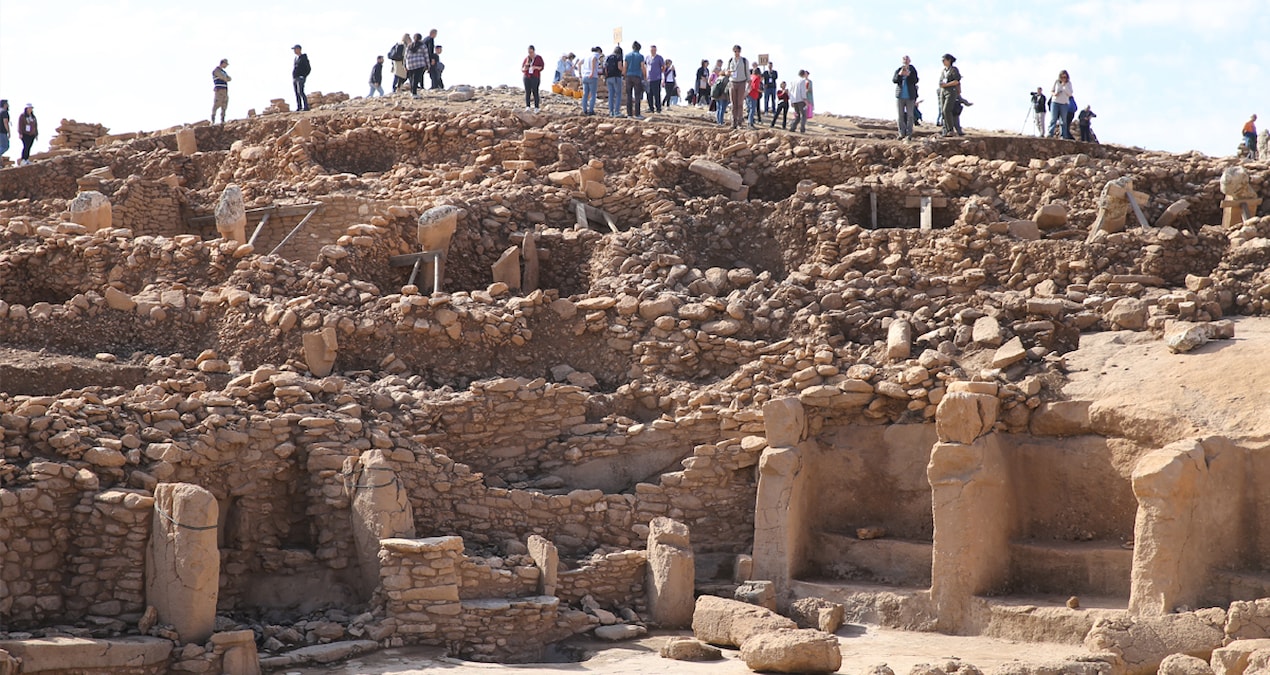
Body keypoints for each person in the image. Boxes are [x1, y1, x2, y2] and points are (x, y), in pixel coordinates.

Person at [893, 55, 918, 140]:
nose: (905, 61)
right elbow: (894, 80)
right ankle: (901, 133)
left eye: (907, 59)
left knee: (910, 115)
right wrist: (900, 75)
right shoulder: (898, 69)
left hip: (910, 96)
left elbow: (916, 80)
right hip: (900, 96)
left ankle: (909, 133)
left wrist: (909, 74)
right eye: (904, 59)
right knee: (900, 115)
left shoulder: (912, 69)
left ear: (910, 60)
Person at [937, 53, 962, 137]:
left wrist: (946, 85)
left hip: (951, 91)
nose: (943, 62)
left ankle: (950, 129)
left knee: (946, 110)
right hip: (943, 91)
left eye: (944, 60)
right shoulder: (943, 70)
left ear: (949, 60)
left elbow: (956, 81)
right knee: (942, 111)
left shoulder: (954, 70)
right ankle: (946, 129)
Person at [727, 45, 749, 129]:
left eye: (738, 51)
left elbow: (747, 71)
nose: (736, 53)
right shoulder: (730, 60)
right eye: (735, 51)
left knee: (740, 103)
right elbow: (726, 71)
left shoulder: (744, 60)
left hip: (741, 82)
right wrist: (728, 72)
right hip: (732, 82)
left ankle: (740, 122)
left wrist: (748, 82)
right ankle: (733, 122)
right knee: (733, 103)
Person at [623, 41, 647, 119]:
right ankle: (637, 114)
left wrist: (624, 75)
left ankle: (629, 114)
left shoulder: (627, 55)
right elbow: (642, 67)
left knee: (629, 95)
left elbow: (625, 66)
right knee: (637, 96)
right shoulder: (640, 56)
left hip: (628, 76)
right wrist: (645, 76)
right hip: (637, 76)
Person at [1049, 70, 1073, 139]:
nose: (1063, 78)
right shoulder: (1056, 82)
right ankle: (1050, 133)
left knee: (1063, 120)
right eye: (1062, 77)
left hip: (1064, 103)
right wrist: (1054, 94)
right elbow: (1052, 90)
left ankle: (1063, 135)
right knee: (1053, 119)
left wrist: (1064, 87)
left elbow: (1070, 94)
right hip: (1055, 102)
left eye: (1065, 77)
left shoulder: (1069, 84)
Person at [580, 46, 603, 116]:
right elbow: (593, 60)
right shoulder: (595, 55)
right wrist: (592, 72)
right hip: (592, 76)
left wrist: (580, 74)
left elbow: (579, 63)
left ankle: (584, 110)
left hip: (585, 76)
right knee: (593, 94)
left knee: (585, 94)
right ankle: (591, 110)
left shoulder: (586, 55)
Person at [522, 45, 545, 111]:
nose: (530, 54)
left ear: (534, 51)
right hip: (527, 76)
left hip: (535, 77)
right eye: (529, 52)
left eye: (531, 52)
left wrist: (535, 67)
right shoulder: (527, 59)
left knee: (535, 91)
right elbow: (522, 68)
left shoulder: (538, 58)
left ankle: (536, 107)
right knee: (527, 92)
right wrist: (525, 68)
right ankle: (528, 106)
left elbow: (542, 67)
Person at [604, 45, 624, 117]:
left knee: (611, 95)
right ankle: (617, 112)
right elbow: (619, 67)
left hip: (609, 77)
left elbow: (605, 68)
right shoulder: (618, 57)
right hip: (616, 77)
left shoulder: (608, 57)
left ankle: (611, 112)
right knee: (618, 94)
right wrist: (624, 72)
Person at [291, 45, 311, 112]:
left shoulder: (303, 58)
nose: (294, 51)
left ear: (299, 49)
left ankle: (306, 106)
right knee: (296, 92)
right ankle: (299, 107)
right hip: (295, 78)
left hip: (300, 77)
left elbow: (308, 68)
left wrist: (303, 76)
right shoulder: (296, 58)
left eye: (295, 49)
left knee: (301, 92)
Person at [645, 45, 664, 114]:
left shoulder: (659, 58)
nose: (653, 51)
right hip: (649, 79)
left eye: (654, 50)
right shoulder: (647, 57)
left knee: (657, 94)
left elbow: (663, 67)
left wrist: (659, 73)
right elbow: (645, 65)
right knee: (649, 94)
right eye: (651, 50)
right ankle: (651, 108)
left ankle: (658, 108)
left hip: (656, 78)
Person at [212, 59, 231, 124]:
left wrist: (225, 78)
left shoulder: (224, 72)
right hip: (219, 90)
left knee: (224, 104)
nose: (226, 66)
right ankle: (213, 119)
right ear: (222, 63)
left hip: (225, 89)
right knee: (217, 104)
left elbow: (229, 78)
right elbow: (224, 78)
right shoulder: (216, 70)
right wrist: (225, 78)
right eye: (225, 64)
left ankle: (222, 119)